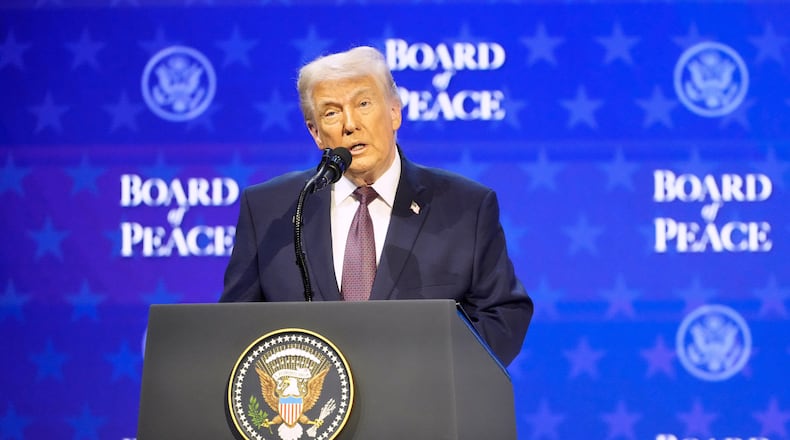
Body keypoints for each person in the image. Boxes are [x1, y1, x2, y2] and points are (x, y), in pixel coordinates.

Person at [220, 46, 532, 366]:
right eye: (331, 113)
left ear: (394, 112)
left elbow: (502, 316)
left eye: (363, 104)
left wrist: (436, 374)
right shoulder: (271, 209)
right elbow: (233, 328)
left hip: (423, 396)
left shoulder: (465, 207)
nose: (350, 124)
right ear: (316, 133)